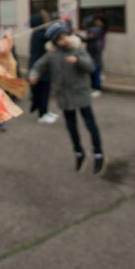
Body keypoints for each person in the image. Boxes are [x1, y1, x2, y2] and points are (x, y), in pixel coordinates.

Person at [29, 23, 105, 173]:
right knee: (71, 126)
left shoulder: (78, 49)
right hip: (64, 95)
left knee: (90, 124)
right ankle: (78, 152)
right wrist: (33, 74)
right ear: (54, 41)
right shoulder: (52, 54)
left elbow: (90, 67)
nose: (63, 40)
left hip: (81, 93)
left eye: (64, 36)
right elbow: (38, 65)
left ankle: (98, 153)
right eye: (59, 38)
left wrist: (77, 60)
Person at [28, 13, 56, 124]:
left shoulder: (38, 33)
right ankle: (42, 115)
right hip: (39, 68)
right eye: (43, 20)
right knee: (41, 92)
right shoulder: (38, 33)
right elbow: (51, 35)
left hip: (42, 67)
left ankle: (46, 111)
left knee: (45, 91)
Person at [82, 17, 106, 97]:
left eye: (90, 33)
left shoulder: (97, 43)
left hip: (95, 62)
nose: (88, 35)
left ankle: (98, 89)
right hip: (91, 62)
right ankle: (93, 87)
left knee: (96, 76)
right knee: (92, 76)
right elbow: (83, 39)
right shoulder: (90, 40)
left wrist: (94, 63)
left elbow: (97, 55)